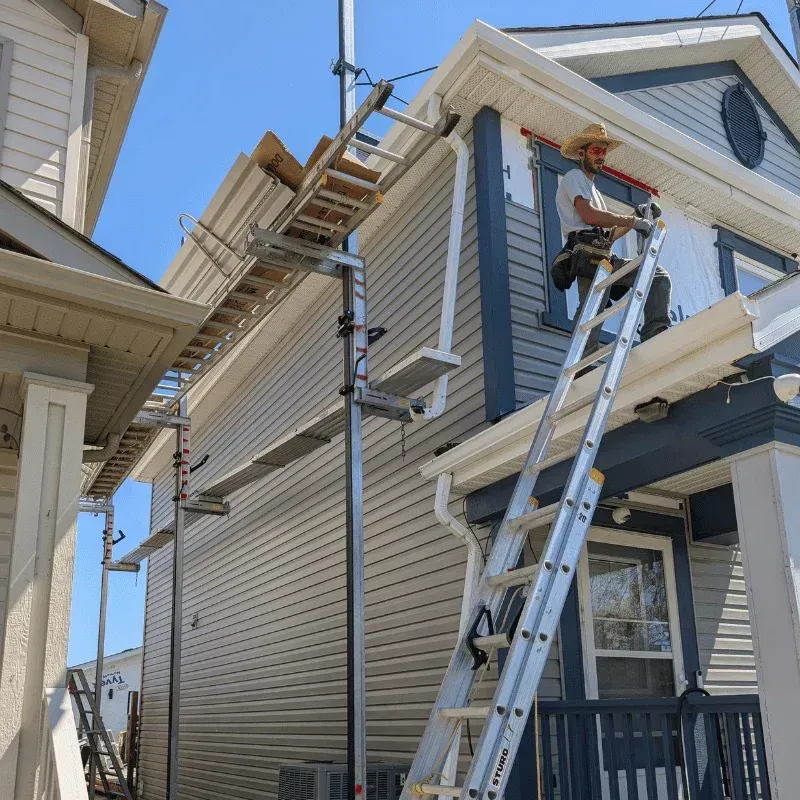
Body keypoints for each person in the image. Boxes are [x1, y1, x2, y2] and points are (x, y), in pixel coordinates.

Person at [551, 123, 671, 364]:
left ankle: (654, 335)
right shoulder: (574, 178)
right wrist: (634, 221)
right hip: (588, 257)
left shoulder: (592, 189)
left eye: (604, 151)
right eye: (596, 150)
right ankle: (582, 364)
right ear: (581, 153)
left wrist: (639, 215)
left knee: (656, 277)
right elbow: (590, 216)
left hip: (602, 255)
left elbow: (609, 235)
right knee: (592, 309)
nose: (601, 156)